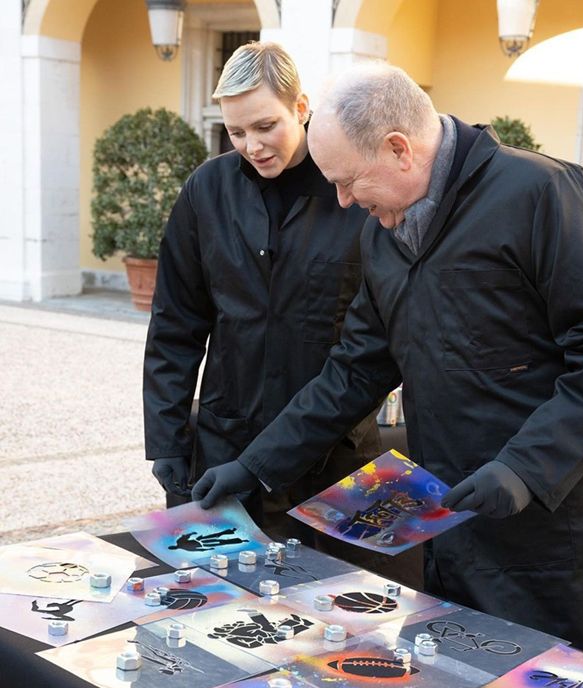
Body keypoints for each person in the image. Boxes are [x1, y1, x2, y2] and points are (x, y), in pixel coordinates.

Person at [191, 61, 583, 663]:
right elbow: (355, 369)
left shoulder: (543, 193)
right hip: (463, 528)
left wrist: (526, 469)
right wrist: (257, 464)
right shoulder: (382, 231)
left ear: (399, 149)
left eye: (349, 182)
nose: (344, 202)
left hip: (572, 538)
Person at [143, 43, 421, 587]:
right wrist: (168, 441)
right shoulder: (206, 190)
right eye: (237, 132)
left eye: (265, 125)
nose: (252, 145)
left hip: (336, 456)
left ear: (301, 107)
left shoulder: (356, 192)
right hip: (225, 448)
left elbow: (382, 342)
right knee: (218, 611)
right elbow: (175, 326)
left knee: (339, 613)